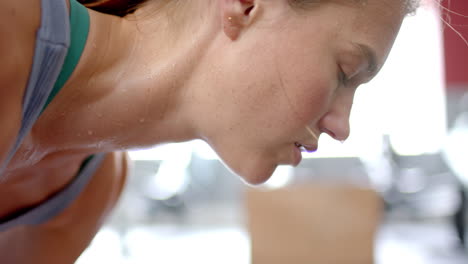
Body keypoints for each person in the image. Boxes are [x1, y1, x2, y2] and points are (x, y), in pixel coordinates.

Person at [0, 0, 416, 262]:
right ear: (247, 6)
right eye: (345, 71)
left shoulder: (92, 191)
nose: (342, 127)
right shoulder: (9, 27)